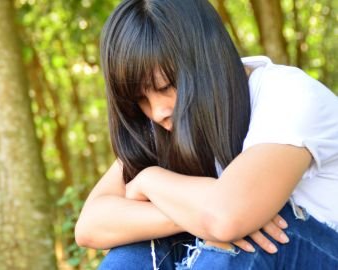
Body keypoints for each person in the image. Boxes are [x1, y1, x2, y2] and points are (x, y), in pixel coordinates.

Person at [74, 0, 338, 269]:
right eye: (141, 99)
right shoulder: (167, 121)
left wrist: (149, 180)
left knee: (240, 230)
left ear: (206, 61)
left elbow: (226, 218)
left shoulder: (288, 94)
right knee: (141, 243)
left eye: (166, 86)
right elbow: (90, 225)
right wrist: (200, 213)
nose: (156, 112)